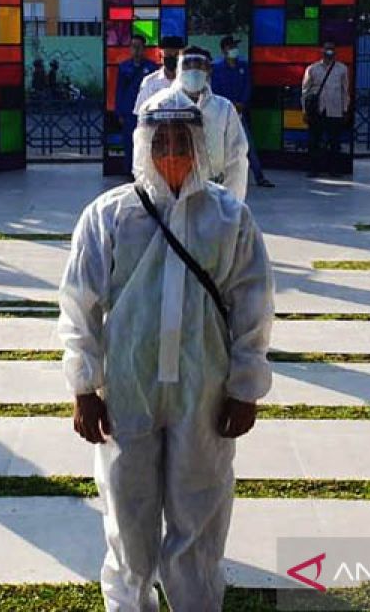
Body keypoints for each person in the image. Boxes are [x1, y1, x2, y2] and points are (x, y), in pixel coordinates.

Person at [59, 91, 274, 612]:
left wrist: (245, 386)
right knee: (128, 515)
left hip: (204, 390)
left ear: (200, 144)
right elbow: (78, 303)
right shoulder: (109, 215)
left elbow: (253, 303)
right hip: (128, 389)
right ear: (144, 144)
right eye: (162, 140)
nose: (172, 151)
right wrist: (84, 386)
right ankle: (130, 603)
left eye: (183, 139)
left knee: (198, 510)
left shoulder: (228, 217)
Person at [144, 45, 250, 201]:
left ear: (209, 71)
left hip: (213, 194)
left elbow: (237, 158)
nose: (193, 70)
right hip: (170, 195)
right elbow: (145, 156)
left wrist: (230, 203)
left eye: (199, 66)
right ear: (179, 69)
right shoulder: (160, 106)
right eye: (187, 65)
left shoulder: (224, 108)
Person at [212, 35, 274, 188]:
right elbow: (215, 90)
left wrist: (242, 103)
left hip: (240, 112)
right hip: (223, 112)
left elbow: (248, 86)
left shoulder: (243, 66)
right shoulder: (217, 67)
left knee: (248, 144)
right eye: (231, 47)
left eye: (235, 46)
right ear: (224, 49)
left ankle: (259, 176)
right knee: (220, 146)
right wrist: (229, 104)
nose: (234, 50)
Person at [301, 41, 351, 175]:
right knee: (314, 141)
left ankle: (334, 169)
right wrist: (305, 111)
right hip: (317, 110)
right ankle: (313, 169)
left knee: (334, 142)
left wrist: (345, 109)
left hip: (335, 110)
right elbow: (305, 91)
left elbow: (345, 90)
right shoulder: (312, 69)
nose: (329, 52)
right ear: (322, 51)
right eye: (327, 49)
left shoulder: (342, 69)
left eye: (332, 49)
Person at [113, 34, 158, 176]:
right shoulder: (124, 67)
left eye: (139, 46)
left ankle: (148, 173)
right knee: (129, 143)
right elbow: (119, 90)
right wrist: (119, 112)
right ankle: (129, 173)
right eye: (133, 46)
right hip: (129, 112)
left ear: (144, 48)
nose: (136, 49)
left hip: (147, 112)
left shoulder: (152, 67)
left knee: (147, 143)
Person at [133, 34, 185, 115]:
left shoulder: (188, 82)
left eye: (176, 55)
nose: (172, 58)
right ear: (161, 56)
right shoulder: (149, 82)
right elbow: (140, 112)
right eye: (168, 55)